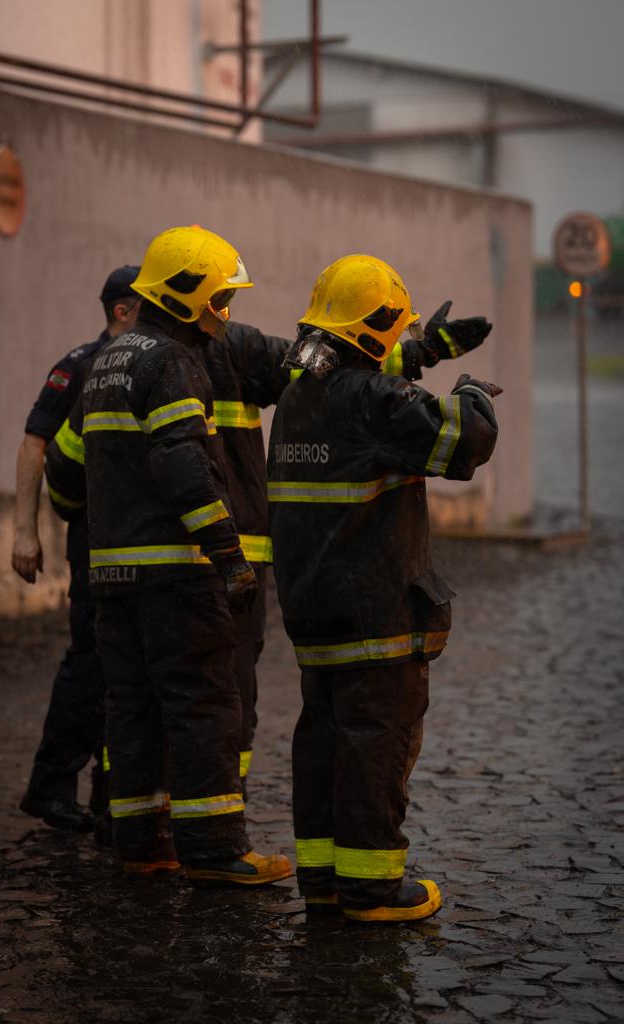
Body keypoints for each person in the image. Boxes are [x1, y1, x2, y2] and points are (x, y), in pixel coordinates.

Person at [44, 226, 292, 883]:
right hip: (177, 577)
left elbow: (67, 477)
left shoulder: (108, 361)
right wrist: (227, 556)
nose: (225, 314)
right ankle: (214, 852)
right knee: (203, 705)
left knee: (132, 710)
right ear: (185, 296)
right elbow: (185, 463)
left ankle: (141, 843)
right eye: (219, 299)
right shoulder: (173, 362)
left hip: (114, 577)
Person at [267, 253, 500, 922]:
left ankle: (324, 881)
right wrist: (472, 392)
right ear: (369, 330)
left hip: (314, 614)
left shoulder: (297, 398)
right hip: (375, 613)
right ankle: (370, 891)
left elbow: (361, 392)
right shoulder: (374, 401)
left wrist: (420, 351)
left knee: (323, 743)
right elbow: (461, 442)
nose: (401, 339)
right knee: (375, 744)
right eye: (395, 329)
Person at [14, 266, 141, 832]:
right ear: (122, 310)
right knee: (90, 659)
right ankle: (51, 786)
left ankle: (109, 795)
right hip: (93, 536)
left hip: (131, 537)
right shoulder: (83, 364)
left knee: (125, 665)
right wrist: (25, 530)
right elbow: (35, 442)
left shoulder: (144, 362)